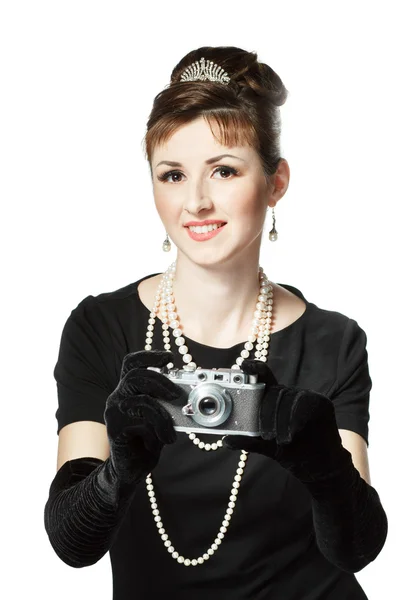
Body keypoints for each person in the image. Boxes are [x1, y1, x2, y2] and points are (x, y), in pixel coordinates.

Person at [44, 46, 388, 599]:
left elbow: (357, 550)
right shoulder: (100, 327)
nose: (197, 201)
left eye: (224, 170)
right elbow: (71, 543)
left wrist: (325, 469)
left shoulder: (334, 341)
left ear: (275, 183)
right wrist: (116, 475)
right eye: (173, 174)